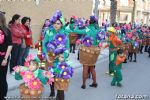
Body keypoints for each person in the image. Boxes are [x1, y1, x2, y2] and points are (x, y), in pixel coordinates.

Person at [43, 11, 70, 100]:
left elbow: (67, 48)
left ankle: (59, 96)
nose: (56, 25)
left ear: (61, 24)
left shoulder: (65, 34)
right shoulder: (49, 32)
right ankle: (52, 91)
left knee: (60, 81)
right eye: (54, 23)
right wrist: (46, 54)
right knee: (51, 78)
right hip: (50, 59)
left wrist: (64, 56)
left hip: (60, 61)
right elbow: (44, 44)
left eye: (58, 23)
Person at [73, 16, 100, 89]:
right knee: (92, 68)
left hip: (87, 50)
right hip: (95, 50)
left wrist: (78, 25)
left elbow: (76, 31)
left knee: (85, 67)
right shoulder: (98, 30)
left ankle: (84, 84)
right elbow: (99, 40)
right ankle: (94, 83)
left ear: (90, 22)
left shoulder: (87, 29)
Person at [0, 12, 13, 100]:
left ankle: (3, 96)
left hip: (3, 57)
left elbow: (10, 45)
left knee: (2, 79)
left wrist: (5, 59)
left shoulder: (6, 30)